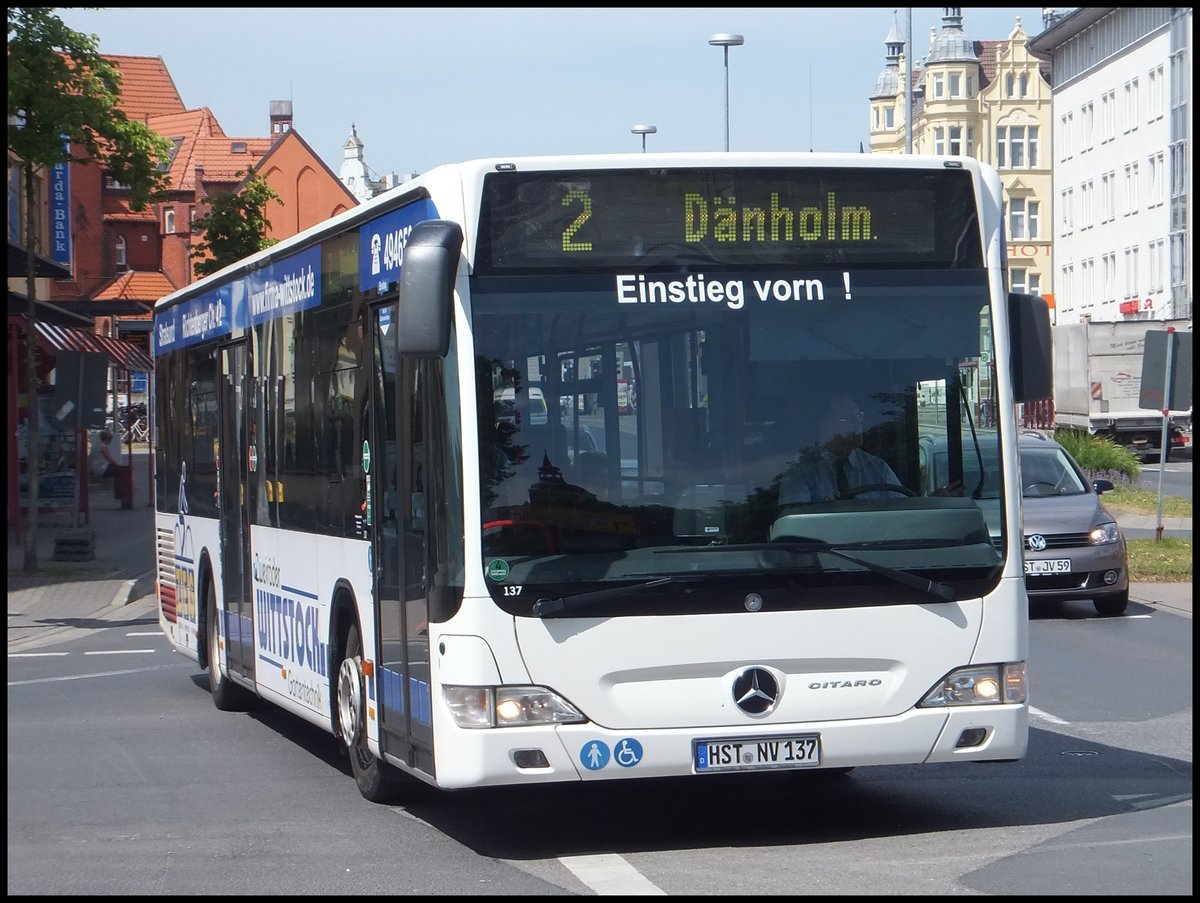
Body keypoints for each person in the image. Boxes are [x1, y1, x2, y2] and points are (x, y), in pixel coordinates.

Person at [778, 394, 903, 504]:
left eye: (858, 416)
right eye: (847, 419)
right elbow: (793, 522)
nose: (857, 423)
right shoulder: (801, 471)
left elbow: (902, 515)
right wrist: (821, 511)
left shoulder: (878, 469)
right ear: (824, 425)